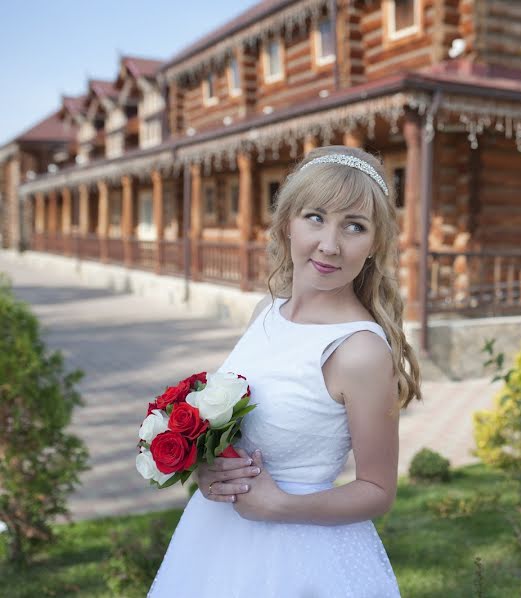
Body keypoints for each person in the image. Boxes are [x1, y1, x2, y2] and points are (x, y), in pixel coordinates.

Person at [148, 146, 422, 597]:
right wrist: (210, 468)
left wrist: (282, 505)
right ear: (286, 222)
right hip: (215, 541)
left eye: (354, 226)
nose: (329, 245)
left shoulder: (359, 351)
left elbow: (377, 489)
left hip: (301, 555)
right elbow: (237, 429)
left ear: (373, 245)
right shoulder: (265, 312)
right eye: (315, 216)